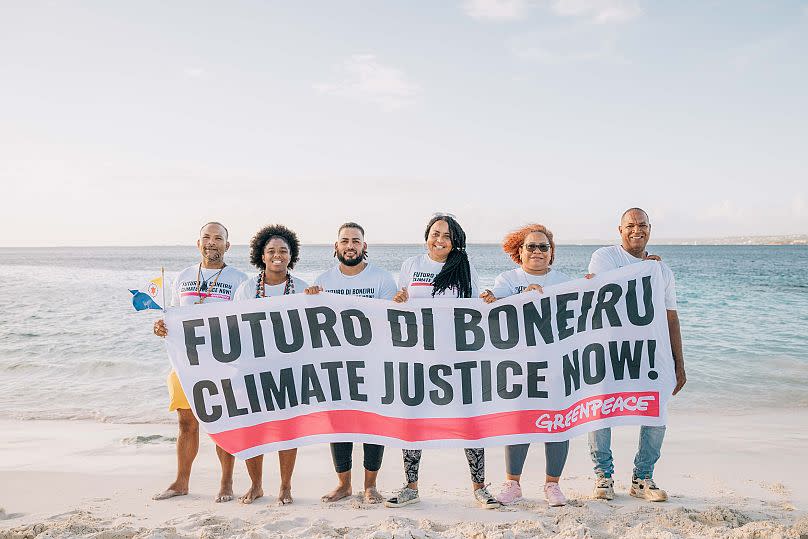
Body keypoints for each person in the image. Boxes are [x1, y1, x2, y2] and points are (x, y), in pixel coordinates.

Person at [383, 214, 500, 510]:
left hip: (457, 357)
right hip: (418, 356)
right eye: (435, 233)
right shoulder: (411, 265)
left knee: (469, 420)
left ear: (455, 241)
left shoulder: (463, 266)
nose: (439, 239)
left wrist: (489, 300)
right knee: (413, 419)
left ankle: (480, 488)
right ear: (427, 235)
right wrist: (397, 299)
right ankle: (411, 486)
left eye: (446, 236)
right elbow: (402, 303)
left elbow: (475, 308)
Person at [152, 222, 264, 504]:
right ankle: (181, 482)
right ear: (198, 243)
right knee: (186, 422)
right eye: (206, 237)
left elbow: (246, 322)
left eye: (218, 238)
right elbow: (173, 315)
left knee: (223, 421)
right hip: (186, 360)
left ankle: (226, 483)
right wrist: (162, 326)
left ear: (227, 245)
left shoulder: (240, 280)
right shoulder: (183, 276)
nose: (211, 242)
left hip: (223, 362)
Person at [586, 207, 687, 502]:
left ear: (650, 229)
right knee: (600, 408)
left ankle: (642, 478)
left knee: (656, 410)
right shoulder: (605, 257)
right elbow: (609, 289)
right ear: (620, 230)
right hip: (609, 349)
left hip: (650, 352)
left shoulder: (662, 271)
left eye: (642, 225)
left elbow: (671, 317)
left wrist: (679, 364)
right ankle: (603, 477)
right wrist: (644, 269)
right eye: (630, 225)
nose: (636, 230)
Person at [304, 222, 397, 504]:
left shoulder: (382, 279)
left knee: (373, 423)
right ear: (336, 247)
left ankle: (370, 486)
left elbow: (391, 320)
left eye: (356, 241)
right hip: (336, 365)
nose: (350, 246)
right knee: (340, 423)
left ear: (364, 246)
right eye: (345, 241)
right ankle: (344, 484)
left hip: (373, 362)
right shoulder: (324, 281)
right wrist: (309, 300)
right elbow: (311, 325)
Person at [480, 224, 571, 507]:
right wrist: (520, 297)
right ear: (520, 251)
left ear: (551, 252)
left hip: (555, 363)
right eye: (531, 246)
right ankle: (513, 484)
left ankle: (552, 485)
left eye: (543, 247)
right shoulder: (507, 279)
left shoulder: (565, 281)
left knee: (557, 422)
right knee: (519, 420)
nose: (537, 251)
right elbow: (496, 309)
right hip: (518, 364)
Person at [233, 223, 308, 505]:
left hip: (290, 370)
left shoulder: (301, 288)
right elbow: (233, 326)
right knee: (253, 428)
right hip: (251, 369)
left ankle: (286, 486)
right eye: (271, 251)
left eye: (284, 251)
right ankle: (256, 484)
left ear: (291, 256)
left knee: (287, 429)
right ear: (261, 256)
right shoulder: (246, 289)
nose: (278, 255)